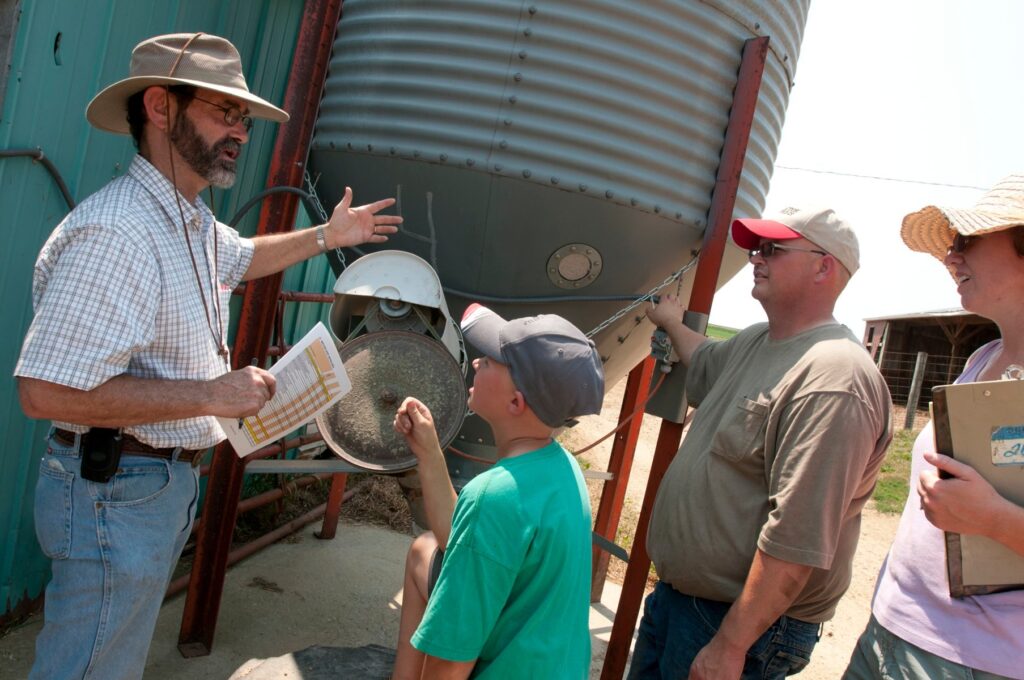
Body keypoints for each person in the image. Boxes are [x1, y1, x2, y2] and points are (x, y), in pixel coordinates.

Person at [14, 32, 401, 680]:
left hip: (148, 489)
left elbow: (242, 257)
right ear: (161, 108)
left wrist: (326, 237)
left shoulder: (185, 218)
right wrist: (209, 395)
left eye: (243, 120)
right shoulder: (118, 231)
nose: (240, 132)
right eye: (224, 113)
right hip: (114, 492)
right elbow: (43, 393)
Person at [631, 207, 893, 680]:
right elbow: (706, 358)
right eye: (755, 247)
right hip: (684, 603)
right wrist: (671, 322)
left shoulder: (835, 376)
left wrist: (731, 645)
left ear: (824, 266)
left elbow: (797, 538)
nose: (755, 257)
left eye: (772, 248)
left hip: (737, 626)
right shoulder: (757, 342)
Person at [844, 176, 1024, 680]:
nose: (951, 258)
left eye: (966, 241)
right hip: (891, 630)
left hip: (972, 660)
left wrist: (992, 520)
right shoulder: (984, 356)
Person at [390, 303, 604, 679]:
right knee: (425, 548)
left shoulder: (492, 495)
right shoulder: (561, 467)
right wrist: (428, 451)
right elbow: (464, 543)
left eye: (489, 360)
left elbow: (451, 659)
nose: (475, 364)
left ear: (515, 403)